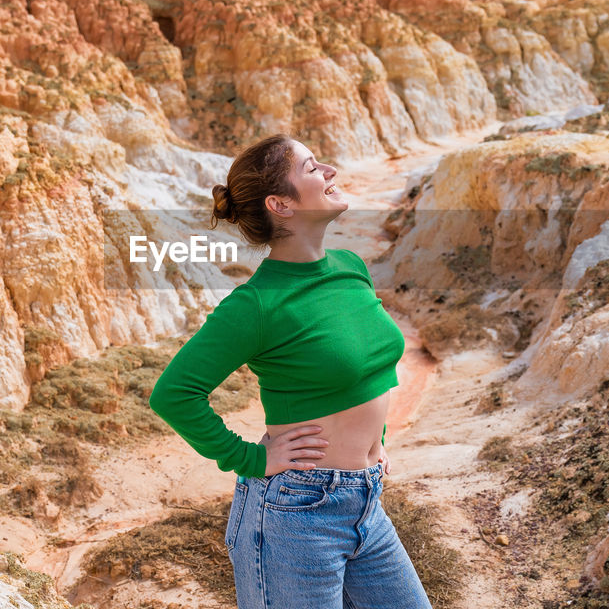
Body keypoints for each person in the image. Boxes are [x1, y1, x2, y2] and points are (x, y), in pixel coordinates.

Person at [148, 133, 432, 609]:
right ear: (280, 204)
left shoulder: (350, 267)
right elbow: (173, 394)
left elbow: (366, 365)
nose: (329, 172)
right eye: (312, 167)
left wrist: (375, 439)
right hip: (296, 512)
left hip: (366, 501)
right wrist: (252, 460)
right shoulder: (257, 304)